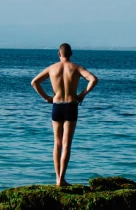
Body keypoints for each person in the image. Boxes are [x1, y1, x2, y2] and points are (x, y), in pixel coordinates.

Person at [31, 42, 98, 186]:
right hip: (71, 105)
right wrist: (82, 95)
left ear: (59, 54)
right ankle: (62, 178)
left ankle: (57, 179)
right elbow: (93, 79)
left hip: (57, 105)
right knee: (67, 144)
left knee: (57, 143)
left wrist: (47, 98)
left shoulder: (52, 68)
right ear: (71, 54)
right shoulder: (76, 68)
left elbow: (34, 82)